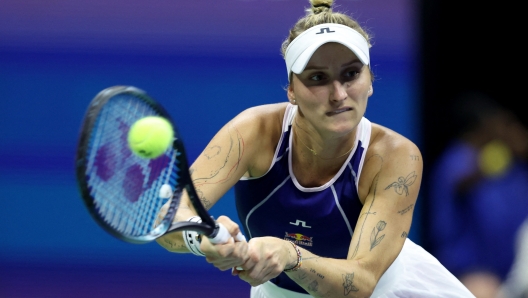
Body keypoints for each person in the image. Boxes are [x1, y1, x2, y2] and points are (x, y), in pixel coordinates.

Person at [156, 0, 474, 297]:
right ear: (292, 91)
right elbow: (168, 221)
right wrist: (203, 240)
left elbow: (360, 283)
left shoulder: (394, 155)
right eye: (318, 78)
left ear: (370, 80)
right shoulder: (252, 132)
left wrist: (290, 255)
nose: (338, 94)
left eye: (351, 74)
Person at [426, 92, 528, 298]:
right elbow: (461, 184)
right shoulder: (458, 159)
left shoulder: (506, 162)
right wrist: (485, 168)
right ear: (481, 126)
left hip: (510, 274)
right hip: (469, 275)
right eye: (495, 123)